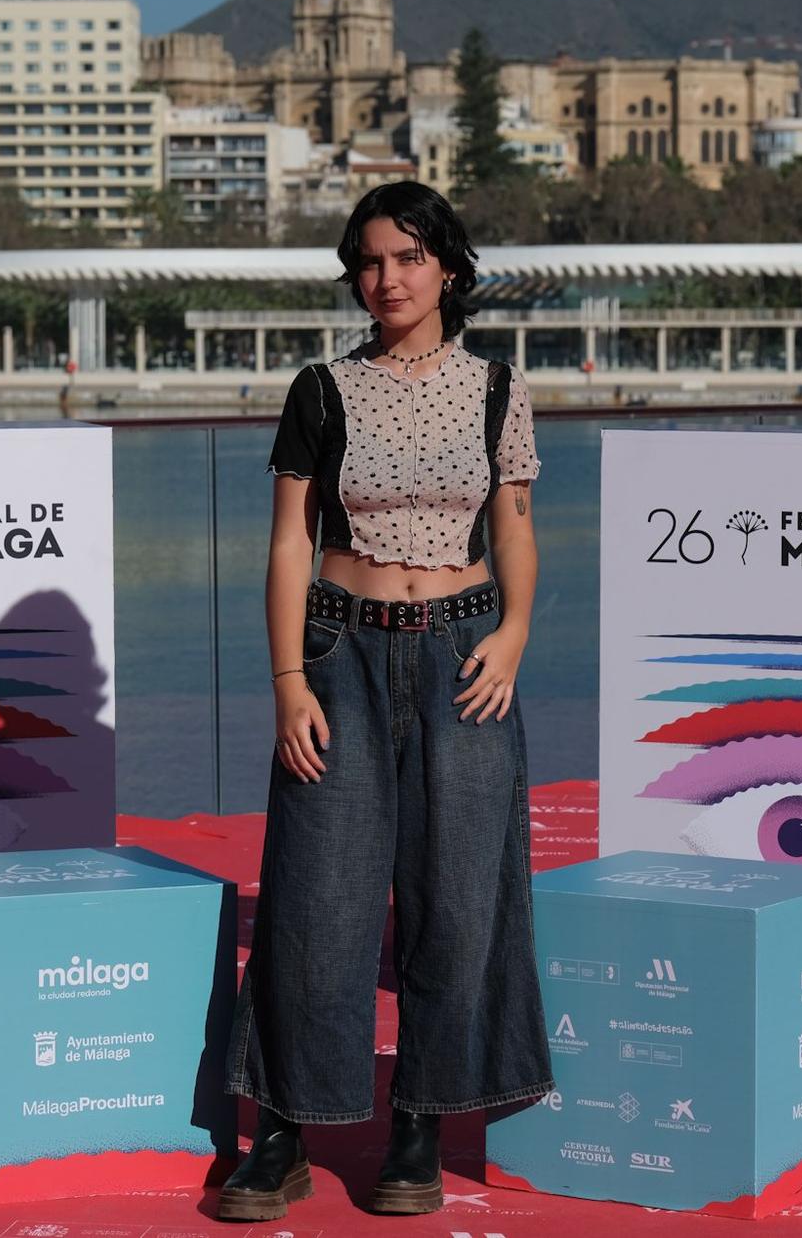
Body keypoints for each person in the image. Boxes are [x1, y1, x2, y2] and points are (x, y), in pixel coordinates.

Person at [218, 182, 554, 1220]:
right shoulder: (320, 388)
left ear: (446, 267)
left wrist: (512, 635)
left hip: (462, 658)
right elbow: (287, 541)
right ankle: (281, 1132)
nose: (385, 280)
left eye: (406, 258)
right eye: (367, 262)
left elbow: (514, 528)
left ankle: (419, 1116)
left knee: (458, 898)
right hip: (340, 656)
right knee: (317, 898)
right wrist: (286, 682)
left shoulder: (498, 388)